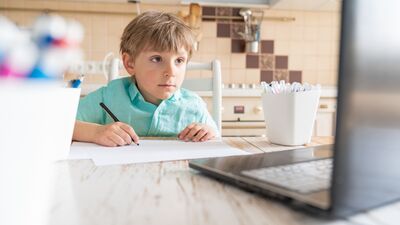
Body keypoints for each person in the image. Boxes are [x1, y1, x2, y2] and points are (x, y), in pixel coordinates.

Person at [72, 11, 219, 147]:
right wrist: (96, 132)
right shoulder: (108, 97)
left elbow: (215, 138)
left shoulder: (195, 106)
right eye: (157, 59)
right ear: (130, 63)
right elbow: (58, 124)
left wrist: (208, 132)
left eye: (179, 60)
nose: (171, 72)